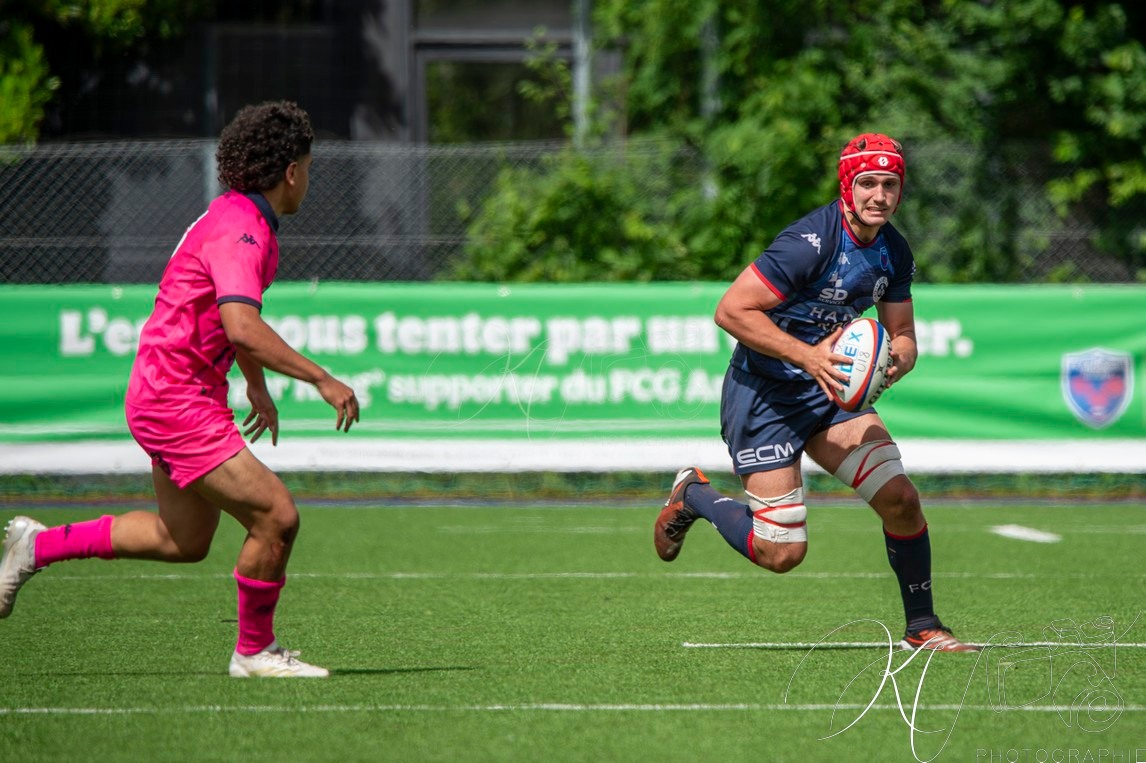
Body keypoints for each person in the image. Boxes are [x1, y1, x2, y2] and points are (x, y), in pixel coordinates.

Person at [0, 101, 360, 676]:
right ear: (292, 170)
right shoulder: (244, 228)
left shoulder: (238, 216)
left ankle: (35, 547)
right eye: (309, 168)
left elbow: (228, 321)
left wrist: (257, 388)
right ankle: (255, 652)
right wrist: (321, 377)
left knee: (181, 538)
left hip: (169, 392)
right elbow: (242, 324)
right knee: (276, 515)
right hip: (175, 399)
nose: (308, 181)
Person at [654, 132, 976, 652]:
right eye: (867, 183)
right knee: (780, 552)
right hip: (765, 396)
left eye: (890, 184)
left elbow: (905, 334)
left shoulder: (894, 250)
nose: (879, 195)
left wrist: (899, 360)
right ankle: (693, 493)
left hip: (831, 397)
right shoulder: (810, 244)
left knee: (901, 498)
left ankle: (923, 625)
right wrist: (806, 356)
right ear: (847, 186)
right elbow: (731, 311)